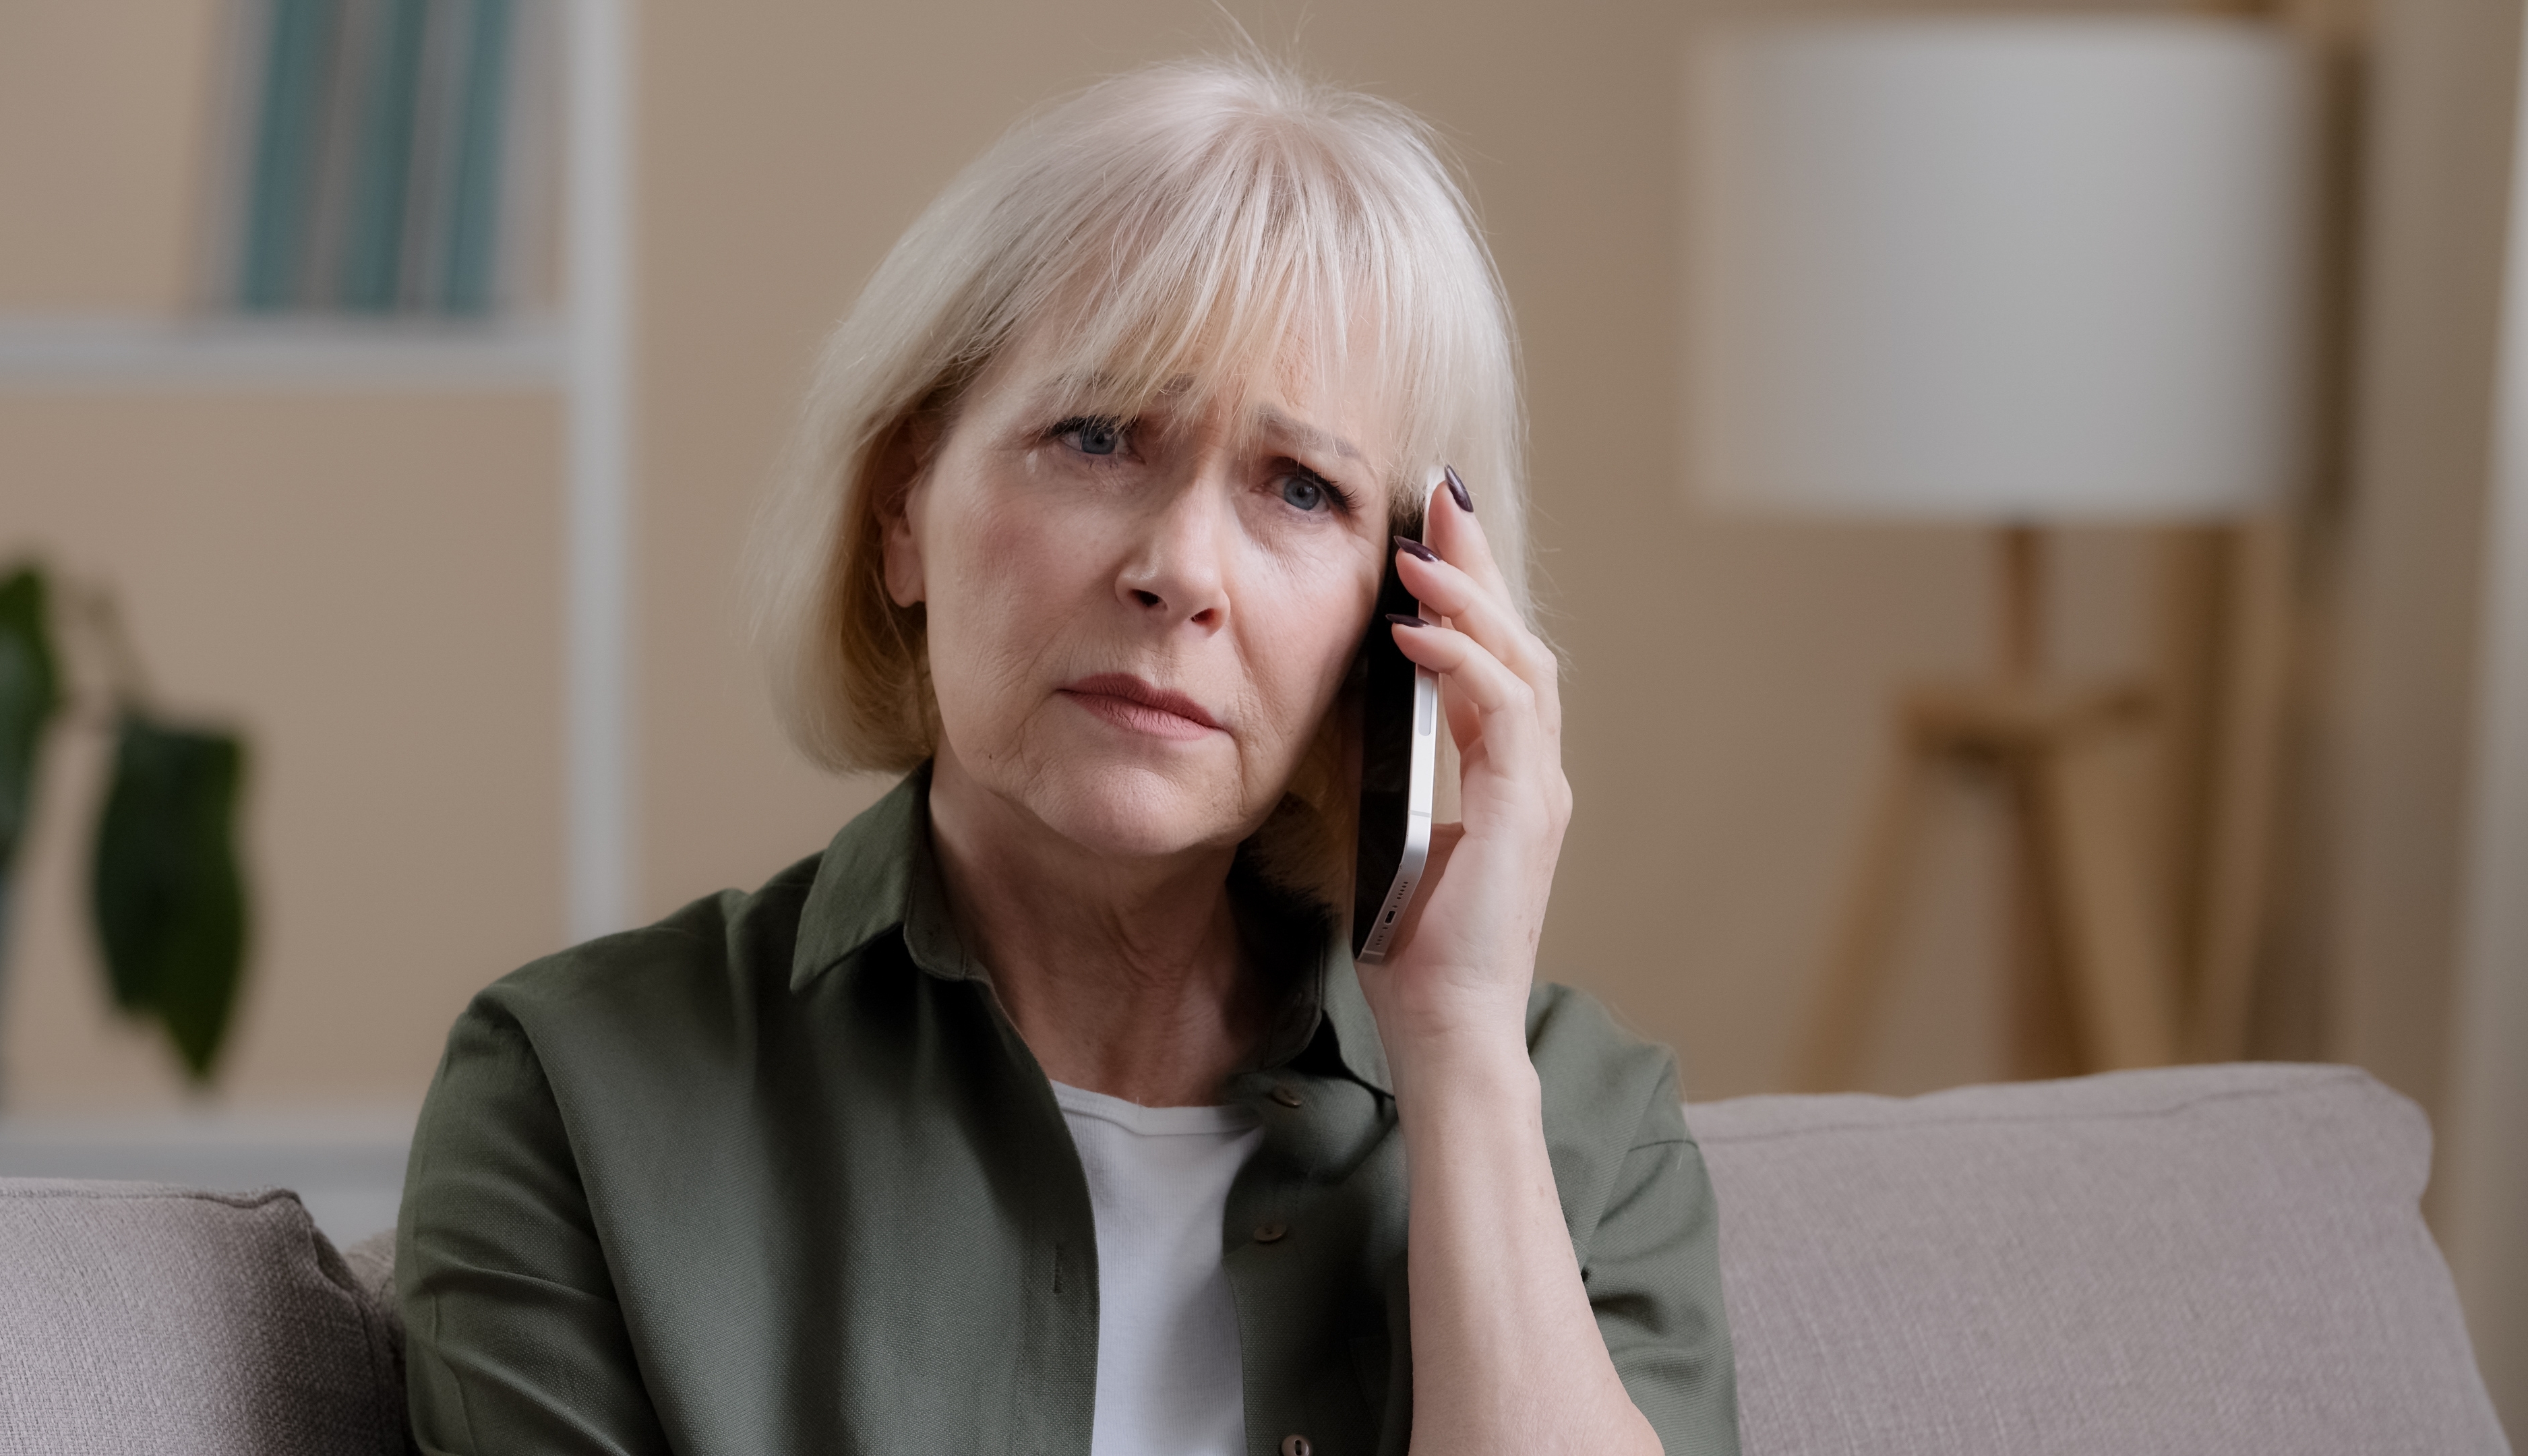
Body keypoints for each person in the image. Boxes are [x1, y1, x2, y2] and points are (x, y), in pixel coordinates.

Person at [397, 57, 1739, 1456]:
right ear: (902, 511)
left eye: (1302, 487)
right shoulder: (575, 1094)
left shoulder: (1577, 1128)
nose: (1178, 569)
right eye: (1097, 437)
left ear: (1409, 614)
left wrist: (1460, 1056)